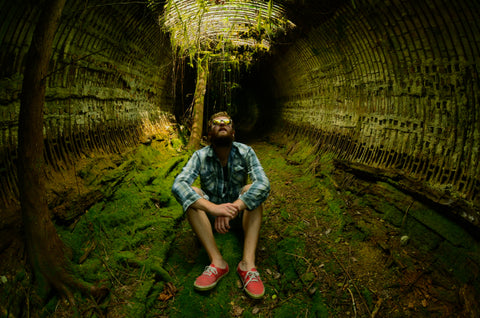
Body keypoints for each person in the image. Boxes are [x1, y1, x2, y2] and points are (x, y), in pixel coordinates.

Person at [171, 111, 270, 299]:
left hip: (240, 216)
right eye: (216, 122)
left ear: (233, 132)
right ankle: (218, 262)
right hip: (209, 218)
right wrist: (214, 209)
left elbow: (263, 184)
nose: (222, 124)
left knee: (253, 190)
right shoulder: (199, 156)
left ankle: (247, 265)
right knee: (193, 193)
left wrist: (234, 207)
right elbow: (178, 185)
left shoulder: (246, 152)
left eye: (227, 122)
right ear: (209, 134)